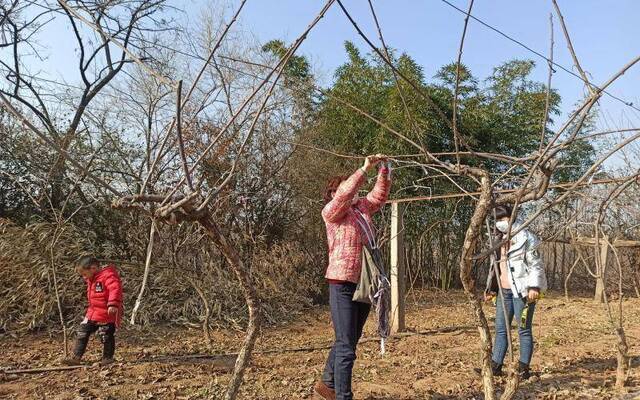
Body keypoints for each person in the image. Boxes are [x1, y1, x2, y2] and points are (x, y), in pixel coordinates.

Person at [313, 154, 391, 400]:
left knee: (349, 340)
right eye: (338, 189)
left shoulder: (361, 209)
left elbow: (378, 196)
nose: (345, 192)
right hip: (342, 283)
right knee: (346, 347)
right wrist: (364, 169)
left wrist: (384, 169)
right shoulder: (331, 213)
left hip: (364, 283)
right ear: (332, 194)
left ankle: (327, 383)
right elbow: (345, 194)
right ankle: (343, 396)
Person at [484, 204, 547, 379]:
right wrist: (491, 289)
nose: (501, 223)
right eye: (498, 220)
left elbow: (536, 265)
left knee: (523, 329)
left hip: (522, 291)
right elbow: (495, 268)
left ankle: (523, 368)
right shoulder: (497, 240)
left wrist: (534, 287)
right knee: (501, 328)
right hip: (504, 291)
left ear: (512, 218)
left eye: (504, 219)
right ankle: (496, 365)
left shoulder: (526, 238)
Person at [62, 256, 123, 366]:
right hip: (93, 312)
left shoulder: (108, 275)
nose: (84, 277)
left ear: (93, 268)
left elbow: (115, 289)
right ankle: (76, 357)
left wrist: (113, 304)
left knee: (106, 335)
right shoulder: (92, 278)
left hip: (107, 313)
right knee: (82, 332)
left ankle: (107, 358)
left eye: (85, 274)